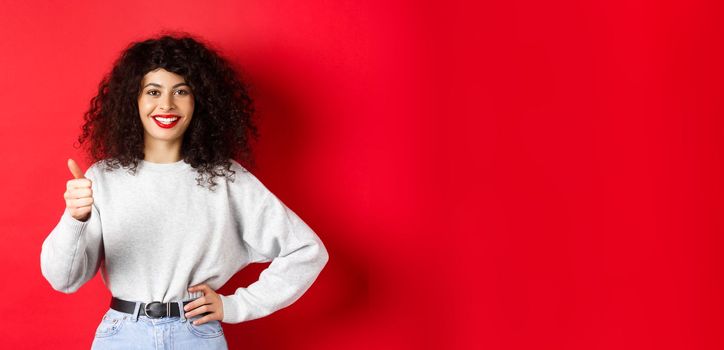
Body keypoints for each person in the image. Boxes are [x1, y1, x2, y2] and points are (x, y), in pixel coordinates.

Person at [39, 32, 330, 349]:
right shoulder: (104, 178)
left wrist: (234, 305)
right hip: (123, 335)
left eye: (181, 91)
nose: (166, 104)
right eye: (153, 91)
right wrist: (75, 219)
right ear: (133, 100)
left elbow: (306, 251)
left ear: (199, 101)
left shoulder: (226, 178)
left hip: (195, 335)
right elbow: (63, 279)